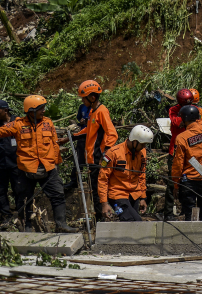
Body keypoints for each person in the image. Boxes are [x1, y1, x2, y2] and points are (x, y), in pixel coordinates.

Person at [0, 96, 79, 233]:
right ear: (31, 111)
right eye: (40, 109)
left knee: (58, 195)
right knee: (24, 199)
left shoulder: (48, 123)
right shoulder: (18, 124)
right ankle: (27, 226)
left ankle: (61, 224)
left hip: (48, 168)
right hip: (26, 169)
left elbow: (54, 144)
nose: (43, 111)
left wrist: (55, 162)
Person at [71, 80, 117, 220]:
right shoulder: (93, 111)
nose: (82, 101)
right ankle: (100, 221)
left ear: (92, 98)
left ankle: (103, 222)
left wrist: (105, 154)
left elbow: (112, 134)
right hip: (92, 159)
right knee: (96, 192)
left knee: (100, 192)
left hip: (99, 159)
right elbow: (88, 131)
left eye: (83, 98)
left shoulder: (102, 111)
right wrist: (71, 138)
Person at [98, 125, 154, 221]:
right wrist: (104, 203)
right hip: (117, 196)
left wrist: (143, 198)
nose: (144, 147)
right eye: (143, 144)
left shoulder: (142, 153)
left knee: (132, 224)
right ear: (135, 141)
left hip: (134, 195)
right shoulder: (113, 153)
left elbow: (141, 175)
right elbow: (103, 179)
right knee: (133, 221)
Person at [171, 104, 202, 221]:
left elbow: (178, 164)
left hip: (188, 181)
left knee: (189, 214)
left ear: (184, 119)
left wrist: (176, 184)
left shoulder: (182, 138)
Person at [63, 103, 89, 192]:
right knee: (78, 160)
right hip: (82, 136)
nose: (82, 100)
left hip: (92, 138)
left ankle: (95, 182)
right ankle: (74, 181)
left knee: (93, 161)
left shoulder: (96, 109)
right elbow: (79, 118)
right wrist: (81, 121)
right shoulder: (82, 106)